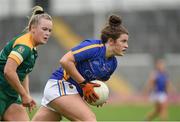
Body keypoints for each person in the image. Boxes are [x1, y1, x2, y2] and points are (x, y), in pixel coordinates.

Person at [32, 14, 129, 121]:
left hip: (71, 92)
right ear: (111, 41)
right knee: (89, 119)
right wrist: (84, 84)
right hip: (61, 85)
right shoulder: (93, 47)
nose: (126, 45)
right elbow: (65, 61)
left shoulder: (113, 64)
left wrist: (99, 96)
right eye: (123, 41)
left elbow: (96, 85)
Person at [0, 6, 53, 121]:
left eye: (49, 30)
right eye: (44, 29)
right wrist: (23, 95)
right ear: (32, 28)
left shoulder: (32, 48)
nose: (47, 33)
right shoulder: (24, 47)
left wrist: (26, 95)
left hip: (11, 95)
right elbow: (8, 71)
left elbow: (23, 72)